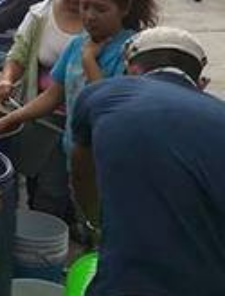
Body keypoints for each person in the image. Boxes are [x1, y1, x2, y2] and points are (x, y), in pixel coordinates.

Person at [71, 27, 225, 296]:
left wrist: (95, 224)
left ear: (131, 68)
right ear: (200, 82)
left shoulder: (101, 94)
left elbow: (82, 172)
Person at [0, 0, 158, 165]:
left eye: (100, 9)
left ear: (124, 9)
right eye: (85, 7)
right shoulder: (78, 43)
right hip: (73, 152)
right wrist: (8, 120)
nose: (90, 16)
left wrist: (89, 61)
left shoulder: (132, 52)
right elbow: (53, 95)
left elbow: (108, 107)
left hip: (108, 159)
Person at [0, 0, 101, 221]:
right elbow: (18, 55)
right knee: (45, 190)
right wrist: (7, 80)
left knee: (81, 193)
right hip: (41, 119)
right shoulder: (40, 15)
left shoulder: (101, 23)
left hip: (85, 125)